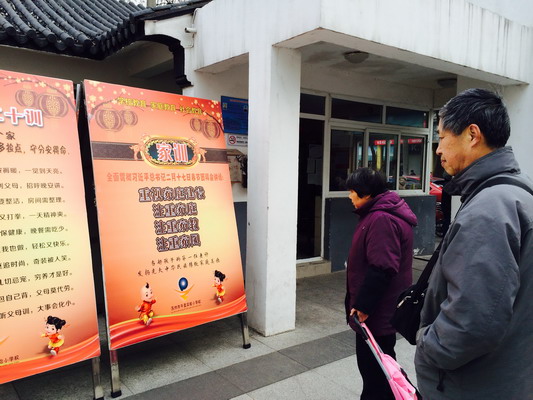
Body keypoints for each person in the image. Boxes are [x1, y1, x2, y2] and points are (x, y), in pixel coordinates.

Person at [415, 88, 533, 399]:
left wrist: (427, 344)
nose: (438, 149)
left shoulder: (489, 209)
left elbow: (473, 323)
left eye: (442, 137)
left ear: (472, 135)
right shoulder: (519, 192)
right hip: (508, 375)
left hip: (474, 385)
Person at [344, 167, 417, 400]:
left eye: (352, 191)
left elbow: (382, 267)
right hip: (380, 309)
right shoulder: (379, 213)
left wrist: (363, 306)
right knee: (383, 367)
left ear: (366, 193)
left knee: (376, 372)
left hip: (377, 312)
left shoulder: (381, 218)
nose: (349, 196)